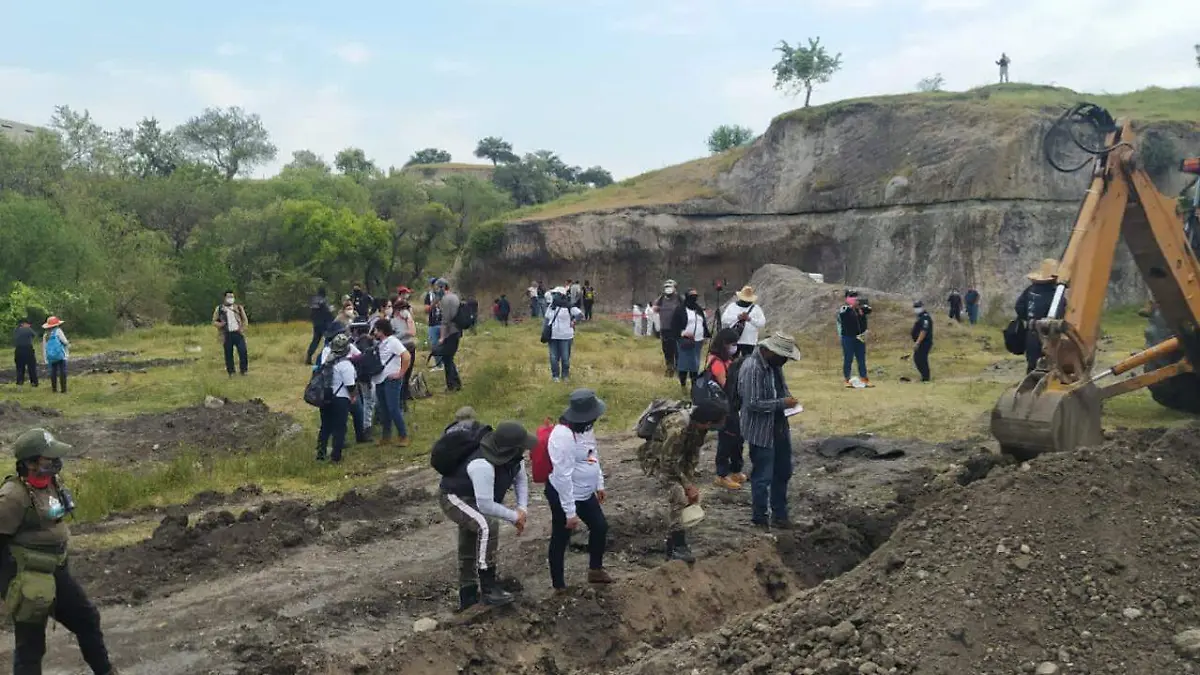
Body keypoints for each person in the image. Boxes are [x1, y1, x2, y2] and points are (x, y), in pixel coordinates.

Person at [0, 428, 116, 674]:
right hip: (28, 581)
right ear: (31, 463)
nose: (56, 462)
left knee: (87, 620)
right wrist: (8, 588)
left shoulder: (51, 482)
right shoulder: (12, 498)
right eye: (48, 458)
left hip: (57, 572)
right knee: (30, 648)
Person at [438, 420, 536, 610]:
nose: (525, 451)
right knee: (486, 526)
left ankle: (468, 594)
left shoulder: (515, 458)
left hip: (476, 496)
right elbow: (485, 504)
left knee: (471, 537)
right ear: (509, 449)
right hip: (455, 497)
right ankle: (488, 586)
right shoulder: (482, 465)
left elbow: (521, 480)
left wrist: (522, 509)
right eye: (521, 447)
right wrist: (514, 517)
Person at [638, 397, 724, 563]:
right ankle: (678, 546)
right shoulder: (677, 429)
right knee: (678, 497)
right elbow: (667, 461)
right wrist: (686, 485)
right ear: (706, 421)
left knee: (686, 496)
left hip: (675, 459)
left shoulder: (699, 428)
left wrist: (690, 483)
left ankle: (672, 546)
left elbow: (692, 455)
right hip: (655, 459)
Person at [547, 389, 613, 590]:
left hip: (585, 492)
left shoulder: (586, 429)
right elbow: (562, 476)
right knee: (561, 537)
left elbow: (592, 453)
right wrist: (569, 512)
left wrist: (598, 482)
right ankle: (559, 586)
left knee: (600, 527)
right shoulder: (562, 436)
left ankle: (595, 570)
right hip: (564, 494)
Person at [739, 333, 801, 529]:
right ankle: (760, 519)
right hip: (760, 429)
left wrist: (789, 402)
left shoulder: (774, 366)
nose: (784, 361)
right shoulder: (752, 368)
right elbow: (752, 403)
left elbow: (782, 389)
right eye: (782, 356)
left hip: (779, 425)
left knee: (783, 471)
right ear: (768, 351)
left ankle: (780, 516)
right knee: (763, 476)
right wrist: (782, 403)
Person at [707, 329, 747, 490]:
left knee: (738, 438)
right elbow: (726, 385)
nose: (735, 347)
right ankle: (721, 474)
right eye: (732, 344)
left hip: (733, 406)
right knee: (727, 440)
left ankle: (736, 469)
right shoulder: (716, 362)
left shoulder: (728, 360)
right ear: (723, 344)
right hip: (724, 407)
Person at [316, 335, 357, 463]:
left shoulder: (327, 361)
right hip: (340, 399)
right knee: (339, 428)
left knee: (325, 427)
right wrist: (353, 396)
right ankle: (336, 456)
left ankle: (320, 453)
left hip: (326, 398)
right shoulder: (346, 365)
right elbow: (350, 385)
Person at [371, 319, 412, 447]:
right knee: (384, 409)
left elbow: (406, 356)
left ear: (382, 330)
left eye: (376, 330)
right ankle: (386, 436)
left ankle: (403, 435)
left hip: (391, 379)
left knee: (393, 408)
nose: (375, 332)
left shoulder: (393, 342)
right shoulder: (380, 343)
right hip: (380, 379)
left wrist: (401, 373)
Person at [1015, 259, 1061, 373]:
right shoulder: (1055, 295)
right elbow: (1061, 315)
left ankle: (1029, 387)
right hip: (1048, 336)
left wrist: (1030, 319)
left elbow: (1019, 307)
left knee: (1032, 365)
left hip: (1031, 334)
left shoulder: (1030, 290)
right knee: (1049, 367)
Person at [671, 289, 709, 389]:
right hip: (685, 341)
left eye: (696, 297)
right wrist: (683, 334)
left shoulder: (698, 309)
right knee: (684, 364)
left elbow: (703, 322)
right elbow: (674, 326)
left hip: (698, 341)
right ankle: (683, 384)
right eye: (692, 296)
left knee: (695, 364)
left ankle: (694, 387)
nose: (694, 299)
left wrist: (705, 335)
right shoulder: (680, 309)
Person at [545, 288, 584, 382]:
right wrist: (545, 332)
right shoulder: (551, 306)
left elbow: (580, 314)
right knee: (553, 358)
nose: (554, 296)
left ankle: (565, 376)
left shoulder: (568, 306)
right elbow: (546, 320)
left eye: (555, 294)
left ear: (561, 295)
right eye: (553, 294)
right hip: (553, 336)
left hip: (566, 336)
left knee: (565, 358)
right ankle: (555, 377)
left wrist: (574, 321)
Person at [836, 290, 872, 388]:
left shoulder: (861, 307)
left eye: (855, 296)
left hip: (860, 337)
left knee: (861, 358)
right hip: (848, 337)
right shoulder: (844, 308)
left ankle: (864, 378)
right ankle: (847, 379)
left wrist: (860, 307)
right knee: (848, 358)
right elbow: (842, 315)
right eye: (852, 297)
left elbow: (869, 310)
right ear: (847, 298)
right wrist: (852, 307)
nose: (854, 299)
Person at [720, 285, 767, 358]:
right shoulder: (732, 306)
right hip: (734, 341)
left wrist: (750, 319)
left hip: (750, 342)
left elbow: (762, 323)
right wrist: (737, 317)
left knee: (747, 364)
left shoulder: (756, 309)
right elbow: (724, 320)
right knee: (732, 363)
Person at [212, 290, 249, 377]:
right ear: (224, 298)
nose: (231, 299)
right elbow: (214, 321)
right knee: (228, 353)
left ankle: (244, 370)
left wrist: (242, 329)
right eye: (229, 297)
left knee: (243, 351)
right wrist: (220, 324)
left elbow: (245, 320)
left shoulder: (238, 308)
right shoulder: (219, 309)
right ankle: (231, 372)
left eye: (232, 297)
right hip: (226, 334)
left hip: (238, 333)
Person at [436, 279, 464, 392]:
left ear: (443, 287)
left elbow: (445, 320)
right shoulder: (455, 297)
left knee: (447, 359)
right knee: (449, 358)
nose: (437, 291)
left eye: (438, 288)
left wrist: (442, 337)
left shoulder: (446, 299)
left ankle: (451, 386)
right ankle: (456, 383)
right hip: (457, 330)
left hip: (450, 332)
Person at [653, 280, 682, 376]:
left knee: (677, 349)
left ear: (674, 288)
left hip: (676, 329)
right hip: (665, 328)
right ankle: (669, 367)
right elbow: (655, 308)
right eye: (666, 287)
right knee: (666, 349)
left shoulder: (679, 298)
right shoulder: (661, 298)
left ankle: (679, 368)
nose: (668, 288)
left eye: (670, 286)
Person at [42, 317, 70, 394]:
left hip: (51, 356)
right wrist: (67, 346)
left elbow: (44, 347)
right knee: (62, 372)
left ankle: (54, 389)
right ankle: (63, 390)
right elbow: (64, 341)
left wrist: (45, 358)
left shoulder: (45, 335)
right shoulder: (58, 331)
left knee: (53, 372)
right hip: (60, 355)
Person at [306, 287, 334, 365]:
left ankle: (308, 357)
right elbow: (328, 311)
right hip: (324, 324)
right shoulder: (324, 300)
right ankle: (326, 358)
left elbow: (311, 313)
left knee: (315, 341)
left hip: (316, 324)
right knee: (329, 340)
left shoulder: (314, 300)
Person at [911, 301, 934, 382]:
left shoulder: (925, 317)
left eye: (918, 307)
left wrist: (918, 342)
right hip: (921, 342)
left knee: (921, 359)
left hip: (924, 342)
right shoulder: (920, 317)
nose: (916, 309)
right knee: (918, 358)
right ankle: (924, 377)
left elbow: (924, 331)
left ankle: (926, 378)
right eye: (915, 307)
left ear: (922, 307)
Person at [13, 319, 38, 389]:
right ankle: (34, 382)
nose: (29, 325)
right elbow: (34, 335)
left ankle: (20, 381)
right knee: (31, 367)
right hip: (28, 349)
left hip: (18, 350)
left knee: (20, 367)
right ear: (23, 324)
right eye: (28, 324)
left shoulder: (16, 330)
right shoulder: (28, 329)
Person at [427, 298, 444, 371]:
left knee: (435, 345)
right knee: (438, 346)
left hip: (435, 327)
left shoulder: (435, 308)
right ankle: (441, 364)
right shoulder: (439, 309)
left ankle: (440, 365)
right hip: (438, 326)